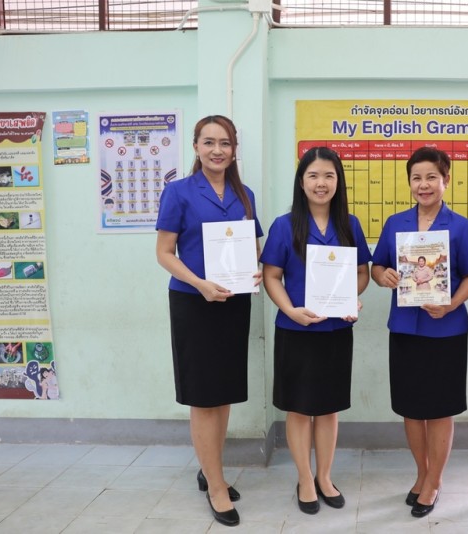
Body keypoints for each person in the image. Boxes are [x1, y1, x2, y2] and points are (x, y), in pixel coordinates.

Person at [155, 115, 263, 527]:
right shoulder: (178, 191)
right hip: (194, 302)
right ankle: (216, 485)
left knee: (224, 391)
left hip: (234, 302)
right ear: (196, 147)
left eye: (225, 143)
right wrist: (200, 283)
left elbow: (253, 247)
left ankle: (210, 467)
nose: (217, 150)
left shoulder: (245, 194)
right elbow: (164, 253)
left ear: (234, 150)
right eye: (209, 142)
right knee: (203, 395)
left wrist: (256, 269)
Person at [371, 146, 468, 518]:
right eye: (416, 178)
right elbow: (377, 267)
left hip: (446, 329)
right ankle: (422, 473)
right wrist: (384, 276)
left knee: (439, 410)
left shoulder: (461, 226)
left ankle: (434, 481)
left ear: (446, 180)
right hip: (405, 328)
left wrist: (451, 303)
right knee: (411, 408)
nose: (424, 185)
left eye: (431, 177)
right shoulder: (395, 223)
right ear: (409, 182)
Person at [261, 146, 371, 515]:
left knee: (327, 409)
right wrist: (290, 310)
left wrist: (351, 298)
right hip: (295, 331)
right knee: (298, 409)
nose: (320, 183)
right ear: (301, 182)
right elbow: (271, 276)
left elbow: (362, 273)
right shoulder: (284, 225)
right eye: (313, 176)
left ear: (338, 181)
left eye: (328, 176)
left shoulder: (349, 224)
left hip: (336, 330)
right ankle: (305, 478)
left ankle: (324, 476)